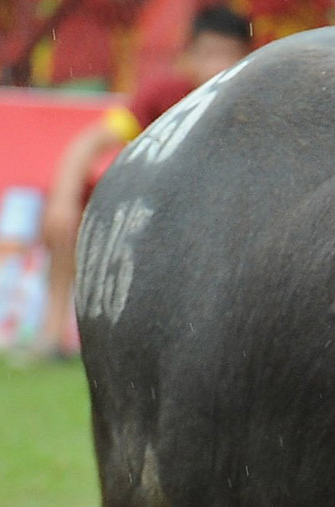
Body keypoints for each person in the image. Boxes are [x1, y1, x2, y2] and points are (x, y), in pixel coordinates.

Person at [32, 6, 254, 363]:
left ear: (248, 61)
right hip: (155, 209)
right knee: (74, 210)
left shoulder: (252, 108)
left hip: (219, 220)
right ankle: (52, 334)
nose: (217, 67)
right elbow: (90, 142)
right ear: (189, 56)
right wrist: (63, 197)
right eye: (210, 53)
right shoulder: (163, 97)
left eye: (229, 56)